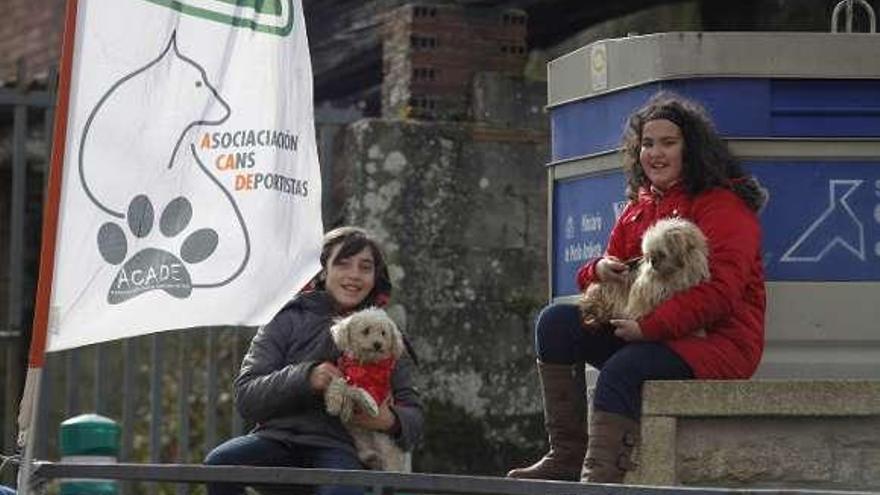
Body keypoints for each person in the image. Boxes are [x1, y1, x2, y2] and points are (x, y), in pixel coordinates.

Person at [507, 92, 766, 484]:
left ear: (690, 149)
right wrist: (599, 268)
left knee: (622, 370)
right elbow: (602, 278)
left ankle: (600, 480)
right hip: (649, 332)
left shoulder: (723, 206)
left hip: (717, 343)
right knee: (556, 323)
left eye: (668, 142)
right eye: (647, 143)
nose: (655, 153)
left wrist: (649, 329)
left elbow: (720, 294)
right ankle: (566, 455)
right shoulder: (639, 207)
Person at [205, 226, 423, 495]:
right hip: (277, 439)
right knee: (219, 464)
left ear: (375, 277)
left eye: (365, 267)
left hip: (341, 447)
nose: (354, 275)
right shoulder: (286, 318)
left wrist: (388, 421)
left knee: (342, 492)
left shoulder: (386, 335)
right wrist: (307, 377)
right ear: (323, 270)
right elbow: (247, 395)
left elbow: (414, 420)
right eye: (342, 264)